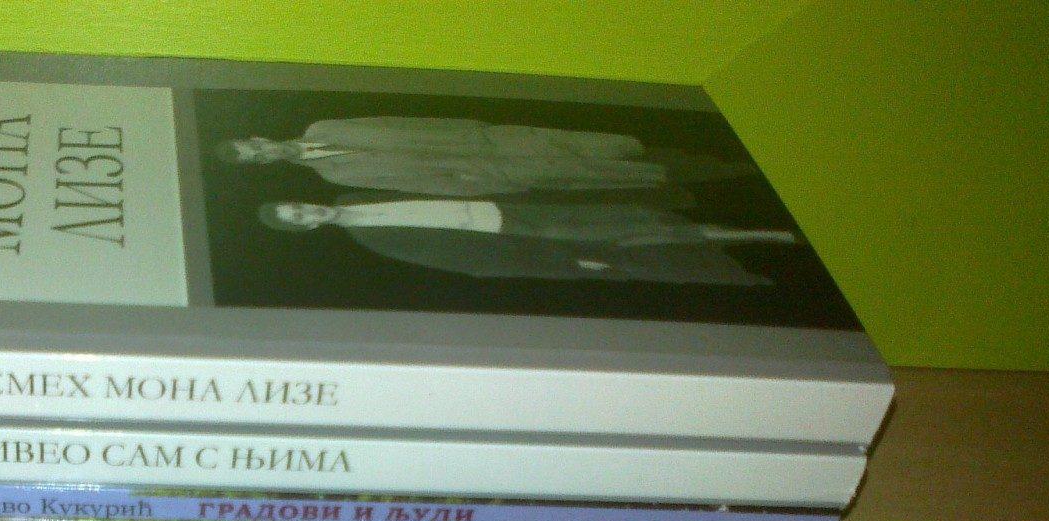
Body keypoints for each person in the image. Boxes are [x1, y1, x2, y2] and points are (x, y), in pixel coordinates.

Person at [257, 197, 794, 286]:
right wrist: (562, 263)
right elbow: (474, 265)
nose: (307, 211)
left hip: (512, 205)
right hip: (520, 236)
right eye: (299, 218)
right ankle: (759, 242)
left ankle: (762, 232)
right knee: (638, 242)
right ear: (306, 227)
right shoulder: (374, 241)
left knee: (633, 218)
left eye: (297, 204)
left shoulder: (356, 193)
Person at [221, 117, 755, 198]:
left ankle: (723, 157)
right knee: (587, 174)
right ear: (264, 166)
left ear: (260, 137)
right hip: (487, 170)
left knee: (592, 145)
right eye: (257, 159)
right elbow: (420, 185)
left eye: (255, 144)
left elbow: (403, 122)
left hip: (487, 139)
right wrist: (475, 183)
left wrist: (471, 132)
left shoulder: (324, 128)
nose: (265, 152)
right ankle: (726, 175)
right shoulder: (332, 173)